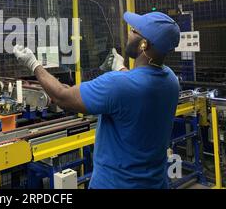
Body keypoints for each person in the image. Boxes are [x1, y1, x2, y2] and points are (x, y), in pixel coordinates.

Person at [13, 11, 181, 189]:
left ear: (143, 44)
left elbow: (62, 96)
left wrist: (33, 64)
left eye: (134, 30)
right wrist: (121, 68)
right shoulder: (170, 80)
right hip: (156, 183)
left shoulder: (117, 85)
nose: (128, 33)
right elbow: (138, 85)